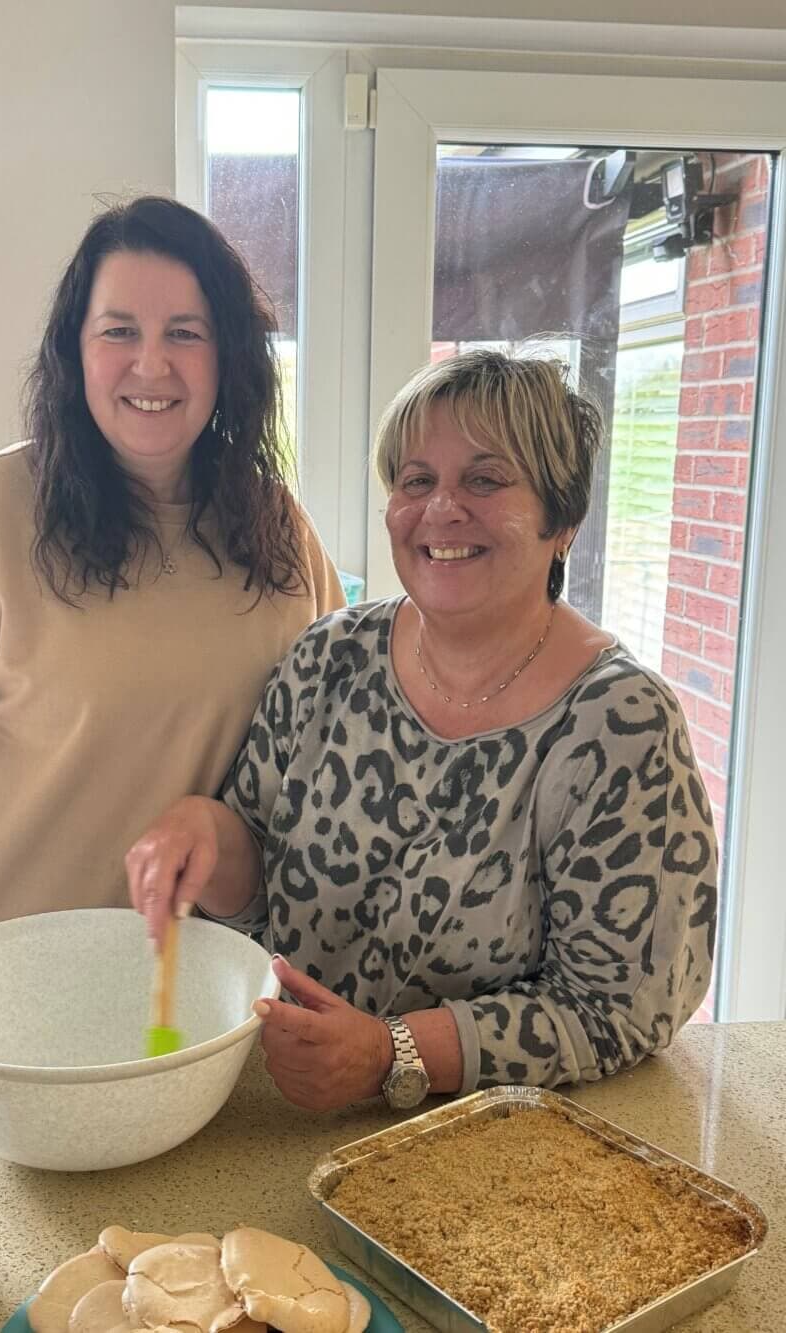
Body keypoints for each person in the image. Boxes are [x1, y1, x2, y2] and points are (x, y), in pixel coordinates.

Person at [126, 349, 717, 1112]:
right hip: (279, 1111)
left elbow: (623, 1006)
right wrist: (202, 832)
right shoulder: (327, 658)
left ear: (562, 519)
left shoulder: (620, 724)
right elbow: (258, 900)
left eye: (485, 478)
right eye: (416, 480)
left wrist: (392, 1053)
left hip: (487, 1153)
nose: (442, 508)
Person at [0, 196, 343, 983]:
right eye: (119, 330)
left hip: (175, 1014)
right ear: (75, 351)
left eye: (185, 334)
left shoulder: (279, 532)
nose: (151, 364)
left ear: (229, 356)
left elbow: (324, 775)